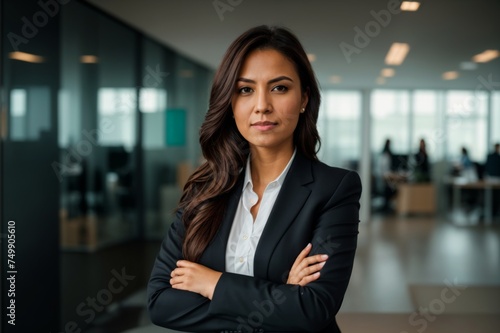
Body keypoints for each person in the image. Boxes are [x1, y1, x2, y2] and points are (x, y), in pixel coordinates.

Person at [147, 25, 362, 333]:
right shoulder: (203, 189)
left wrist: (213, 283)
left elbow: (314, 309)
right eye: (245, 90)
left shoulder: (334, 189)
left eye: (279, 88)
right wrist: (281, 295)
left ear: (303, 99)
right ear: (231, 103)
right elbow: (161, 303)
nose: (262, 105)